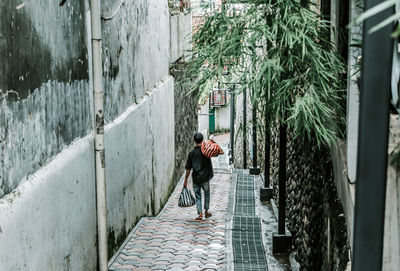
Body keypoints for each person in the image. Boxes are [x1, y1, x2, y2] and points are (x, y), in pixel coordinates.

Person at [183, 132, 223, 220]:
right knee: (207, 194)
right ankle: (206, 212)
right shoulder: (206, 152)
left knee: (198, 196)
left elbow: (188, 168)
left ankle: (200, 214)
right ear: (202, 140)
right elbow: (215, 153)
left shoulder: (192, 153)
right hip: (205, 178)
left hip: (196, 178)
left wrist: (186, 180)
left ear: (194, 140)